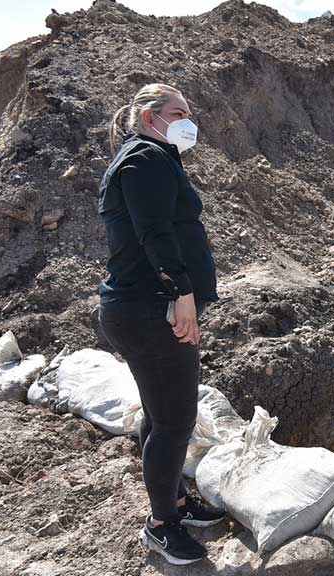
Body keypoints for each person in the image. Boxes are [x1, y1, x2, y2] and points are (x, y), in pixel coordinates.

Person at [98, 83, 225, 565]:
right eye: (178, 111)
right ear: (149, 116)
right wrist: (181, 294)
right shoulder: (146, 159)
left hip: (143, 307)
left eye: (190, 112)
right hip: (153, 309)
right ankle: (161, 525)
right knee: (175, 420)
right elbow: (156, 232)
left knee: (159, 413)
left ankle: (171, 502)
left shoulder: (151, 158)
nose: (188, 120)